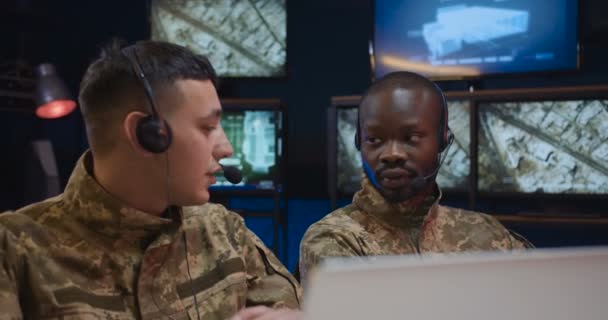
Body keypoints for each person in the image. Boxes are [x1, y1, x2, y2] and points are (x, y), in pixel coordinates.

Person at [0, 40, 302, 320]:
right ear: (148, 134)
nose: (226, 149)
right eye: (207, 127)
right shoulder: (14, 251)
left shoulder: (225, 232)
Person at [299, 71, 531, 285]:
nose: (392, 154)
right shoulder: (335, 239)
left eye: (411, 137)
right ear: (359, 142)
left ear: (443, 140)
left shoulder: (487, 233)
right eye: (375, 140)